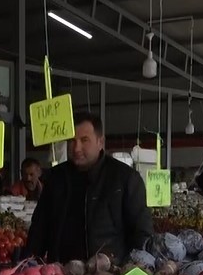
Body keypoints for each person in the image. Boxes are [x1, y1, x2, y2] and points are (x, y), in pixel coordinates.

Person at [25, 112, 154, 262]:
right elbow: (39, 230)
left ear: (101, 142)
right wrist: (28, 265)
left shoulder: (125, 179)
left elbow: (142, 234)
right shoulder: (56, 178)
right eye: (72, 141)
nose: (76, 148)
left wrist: (131, 272)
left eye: (84, 140)